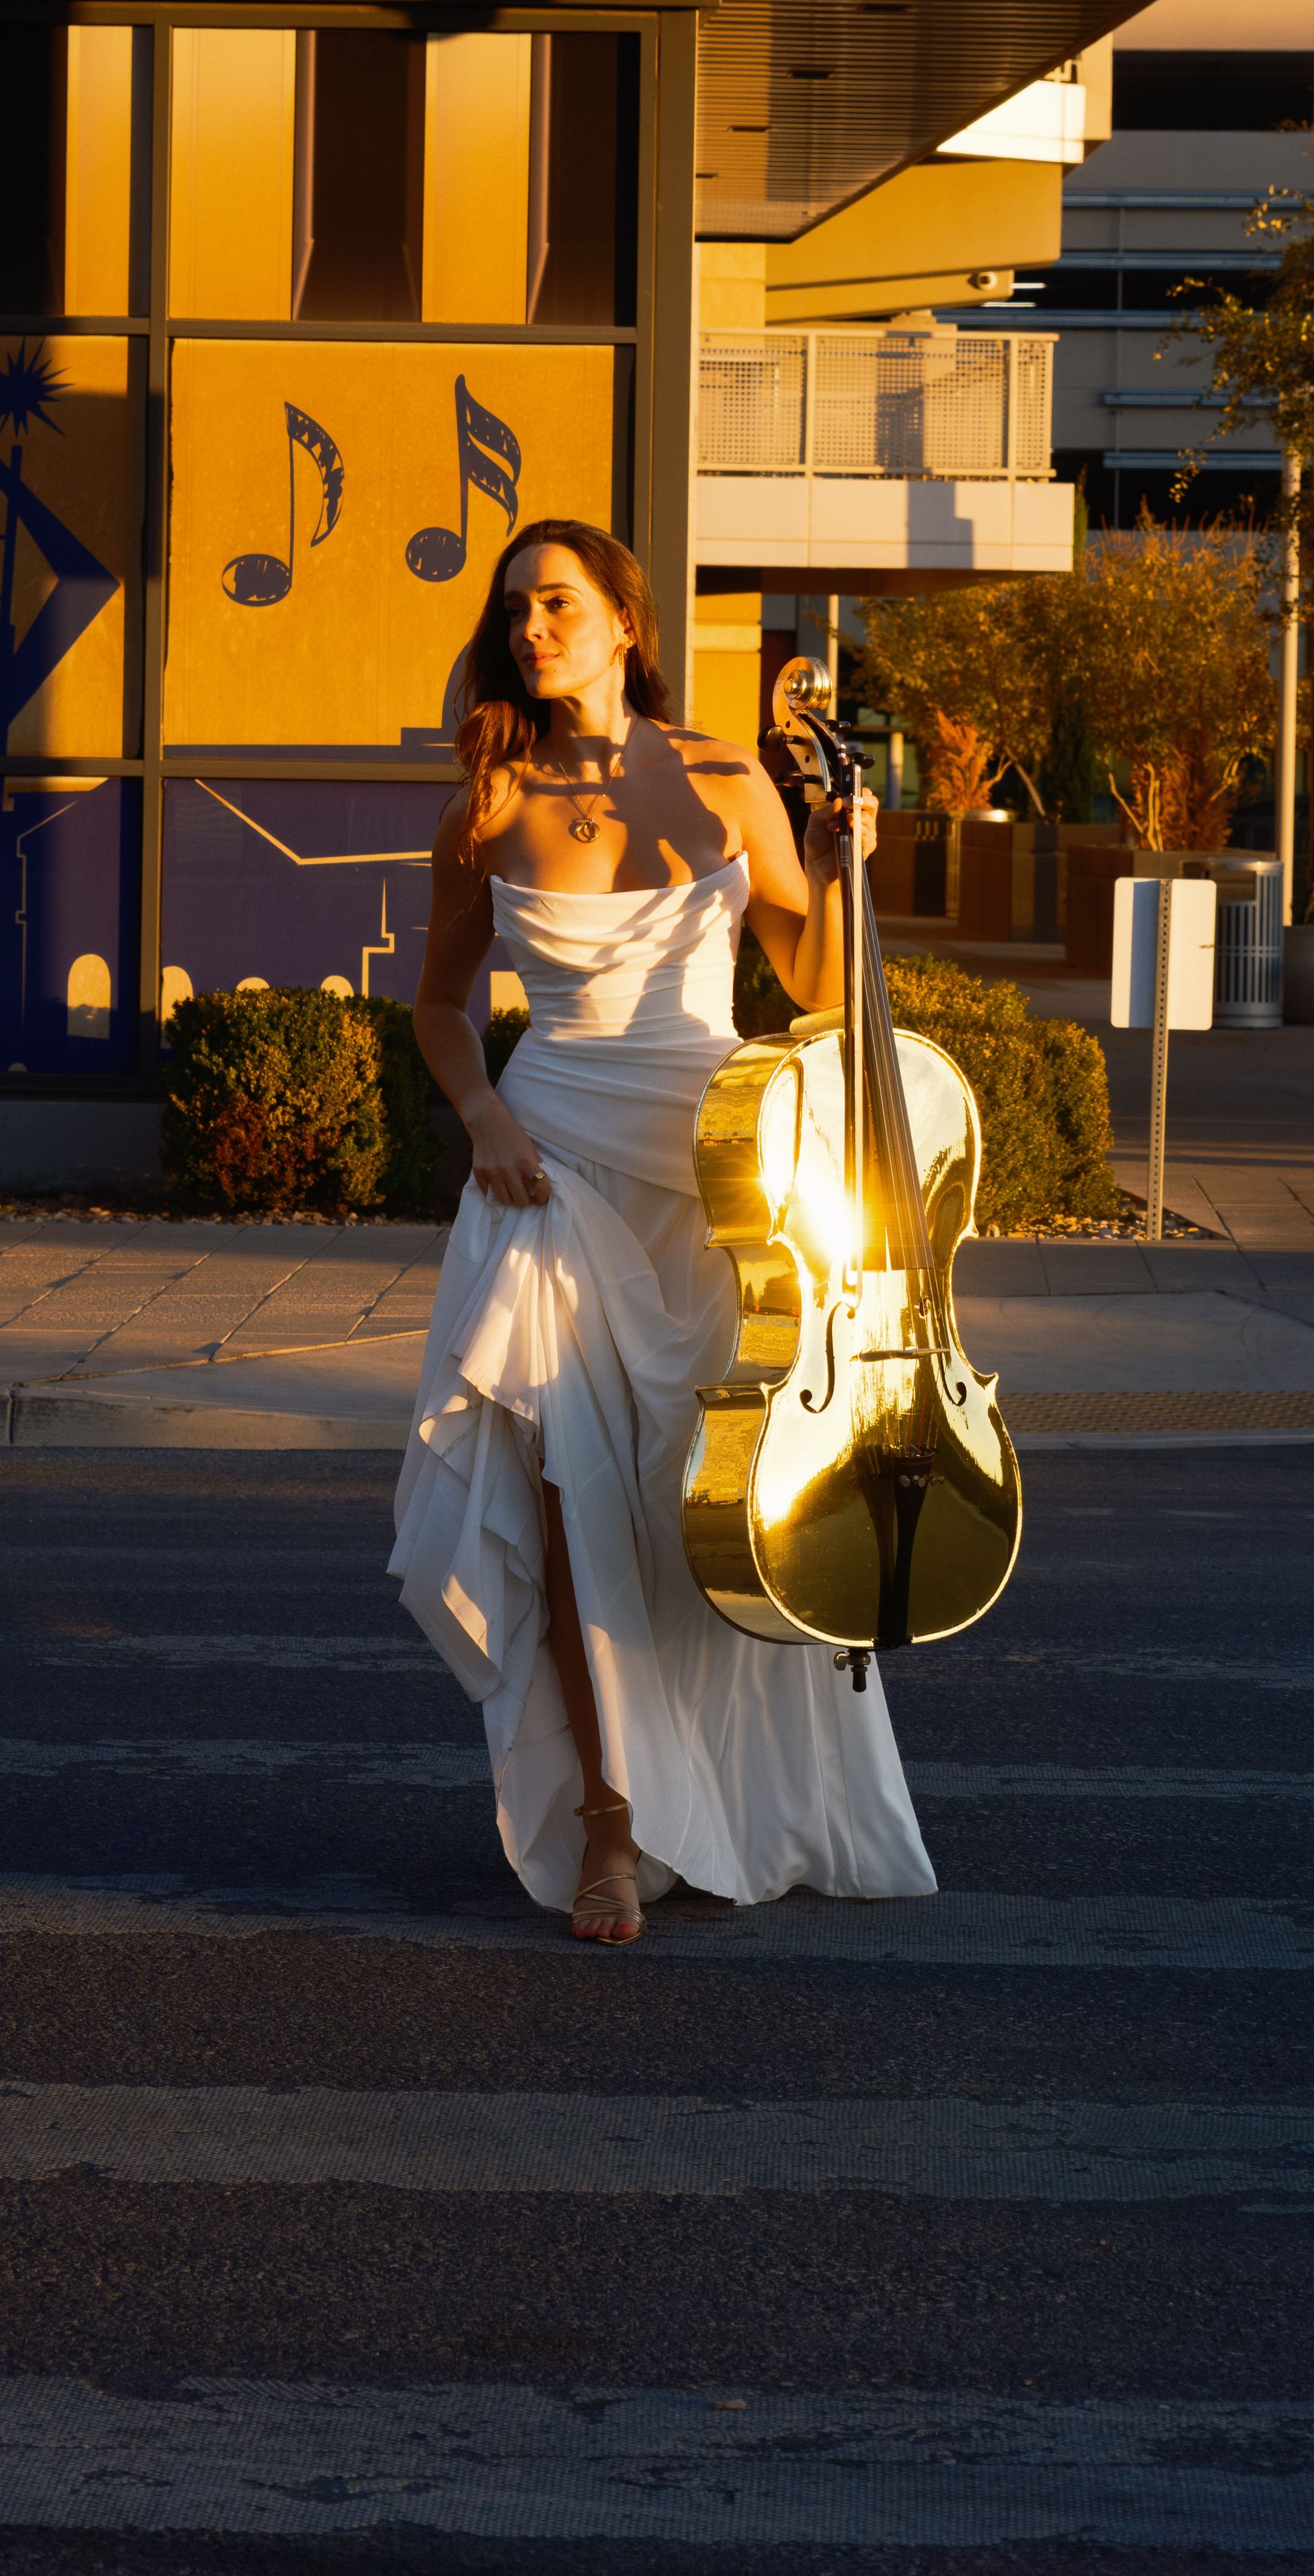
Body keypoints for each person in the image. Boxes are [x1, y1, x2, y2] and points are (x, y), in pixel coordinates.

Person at [391, 518, 937, 1945]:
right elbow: (438, 1005)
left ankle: (729, 1792)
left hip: (716, 1175)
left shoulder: (722, 776)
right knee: (569, 1495)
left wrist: (837, 867)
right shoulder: (485, 800)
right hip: (549, 1165)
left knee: (708, 1504)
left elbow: (814, 982)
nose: (531, 629)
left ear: (625, 622)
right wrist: (482, 1117)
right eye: (515, 610)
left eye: (557, 605)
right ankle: (609, 1824)